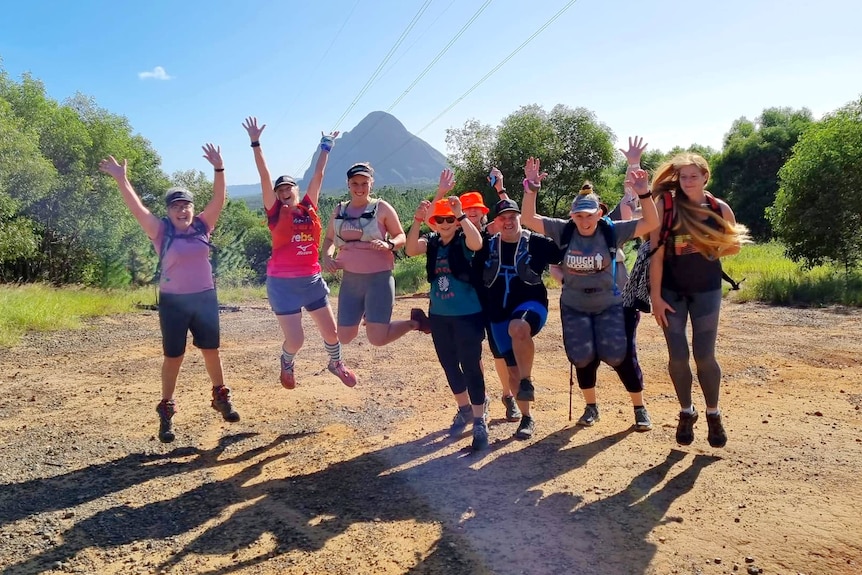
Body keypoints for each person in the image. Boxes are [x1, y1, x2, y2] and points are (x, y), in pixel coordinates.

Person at [98, 144, 239, 444]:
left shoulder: (203, 225)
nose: (182, 209)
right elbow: (137, 209)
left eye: (186, 204)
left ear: (192, 207)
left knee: (211, 350)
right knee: (174, 356)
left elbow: (219, 199)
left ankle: (220, 396)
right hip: (173, 303)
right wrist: (122, 180)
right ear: (168, 211)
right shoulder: (161, 231)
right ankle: (166, 408)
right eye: (176, 205)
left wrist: (219, 168)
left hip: (204, 298)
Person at [520, 156, 659, 431]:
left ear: (599, 213)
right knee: (582, 356)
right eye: (579, 215)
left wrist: (644, 193)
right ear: (573, 215)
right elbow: (527, 218)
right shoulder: (564, 230)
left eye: (589, 214)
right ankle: (591, 408)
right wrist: (531, 189)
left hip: (609, 304)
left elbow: (651, 222)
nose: (584, 220)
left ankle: (639, 408)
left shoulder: (611, 231)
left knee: (619, 354)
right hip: (574, 306)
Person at [242, 117, 356, 390]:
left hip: (311, 280)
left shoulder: (309, 207)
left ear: (296, 190)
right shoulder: (274, 213)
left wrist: (326, 146)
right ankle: (287, 361)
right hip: (282, 285)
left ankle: (335, 363)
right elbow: (264, 175)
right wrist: (256, 143)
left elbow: (318, 176)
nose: (283, 192)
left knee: (332, 332)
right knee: (296, 340)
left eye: (288, 188)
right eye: (279, 190)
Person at [649, 153, 750, 448]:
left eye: (694, 176)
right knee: (678, 356)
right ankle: (685, 412)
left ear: (706, 177)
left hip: (706, 291)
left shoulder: (719, 209)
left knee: (705, 356)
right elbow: (655, 253)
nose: (688, 181)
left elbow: (734, 249)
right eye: (683, 176)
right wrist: (655, 296)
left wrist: (709, 244)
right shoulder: (666, 205)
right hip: (670, 292)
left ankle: (713, 414)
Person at [405, 174, 489, 450]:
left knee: (470, 366)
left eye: (448, 220)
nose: (444, 224)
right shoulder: (431, 243)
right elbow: (409, 248)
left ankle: (479, 419)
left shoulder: (464, 239)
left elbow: (477, 244)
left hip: (467, 314)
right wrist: (418, 220)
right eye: (439, 220)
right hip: (440, 316)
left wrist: (461, 215)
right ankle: (464, 409)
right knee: (449, 365)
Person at [473, 191, 562, 440]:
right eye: (503, 218)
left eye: (513, 216)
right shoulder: (486, 246)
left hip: (531, 305)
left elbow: (567, 251)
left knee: (518, 328)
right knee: (512, 373)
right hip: (496, 313)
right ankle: (526, 417)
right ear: (496, 222)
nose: (509, 221)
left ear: (520, 218)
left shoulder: (537, 243)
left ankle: (528, 379)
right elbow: (473, 275)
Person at [322, 162, 429, 346]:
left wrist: (389, 244)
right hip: (351, 281)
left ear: (371, 183)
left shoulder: (382, 208)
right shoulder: (339, 210)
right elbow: (329, 240)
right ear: (348, 184)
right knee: (345, 337)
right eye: (355, 183)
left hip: (378, 279)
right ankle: (368, 312)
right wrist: (327, 257)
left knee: (377, 339)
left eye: (364, 183)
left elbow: (400, 236)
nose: (360, 188)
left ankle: (415, 322)